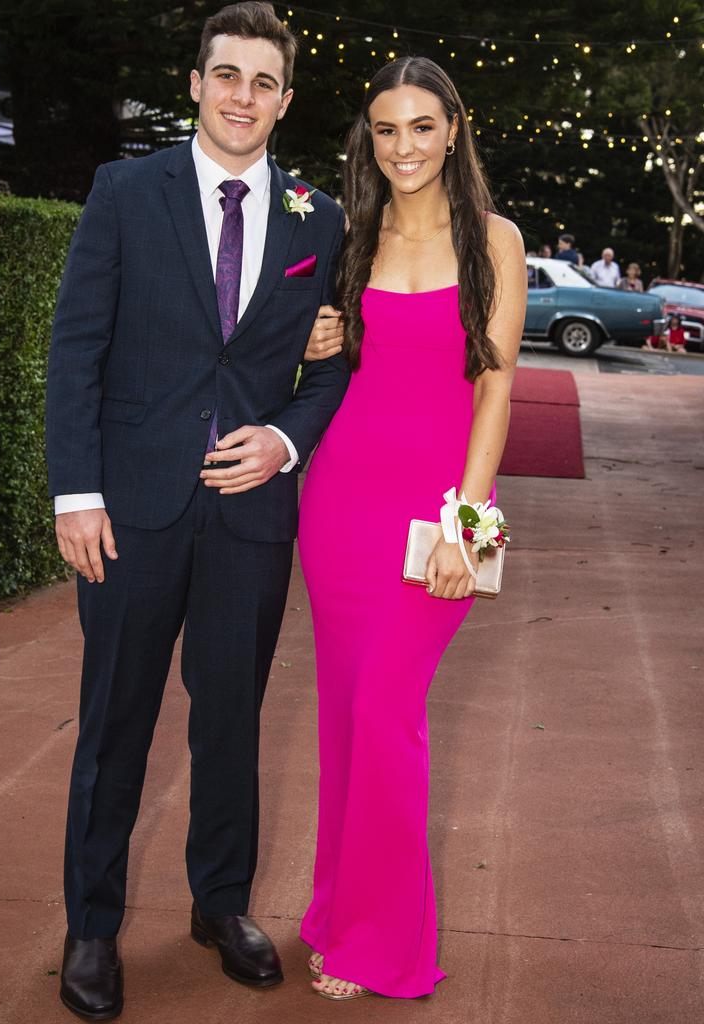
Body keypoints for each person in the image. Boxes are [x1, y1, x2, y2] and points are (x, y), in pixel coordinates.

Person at [45, 3, 349, 1019]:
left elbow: (333, 362)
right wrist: (75, 492)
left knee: (231, 721)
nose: (243, 97)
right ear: (195, 83)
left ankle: (220, 905)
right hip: (131, 509)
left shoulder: (321, 217)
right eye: (227, 75)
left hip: (250, 516)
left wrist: (286, 438)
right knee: (114, 723)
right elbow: (77, 348)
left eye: (264, 83)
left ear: (285, 100)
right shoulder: (127, 192)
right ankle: (91, 926)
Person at [298, 56, 526, 1000]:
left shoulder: (496, 239)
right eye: (387, 130)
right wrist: (315, 337)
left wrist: (461, 528)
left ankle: (381, 941)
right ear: (370, 138)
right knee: (347, 717)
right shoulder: (353, 235)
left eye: (423, 127)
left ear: (454, 131)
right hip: (339, 501)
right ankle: (335, 914)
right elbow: (325, 368)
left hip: (440, 510)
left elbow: (497, 388)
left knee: (387, 711)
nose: (404, 148)